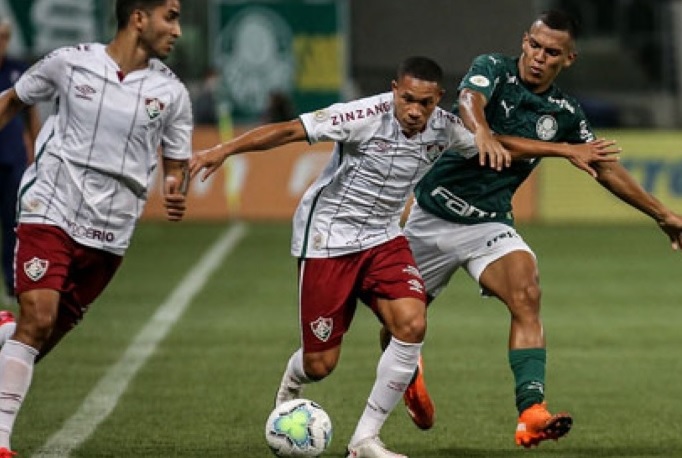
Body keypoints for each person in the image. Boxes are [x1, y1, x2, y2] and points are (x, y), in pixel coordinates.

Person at [190, 56, 617, 458]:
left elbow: (501, 142)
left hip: (383, 238)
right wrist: (221, 150)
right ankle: (287, 398)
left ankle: (365, 440)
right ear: (394, 91)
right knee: (321, 364)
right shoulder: (359, 117)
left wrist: (566, 150)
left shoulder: (445, 129)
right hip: (328, 239)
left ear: (438, 101)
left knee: (412, 323)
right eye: (407, 99)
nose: (414, 110)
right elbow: (288, 130)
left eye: (426, 103)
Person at [385, 9, 682, 449]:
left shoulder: (564, 111)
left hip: (488, 223)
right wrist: (484, 132)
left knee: (526, 290)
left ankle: (531, 412)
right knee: (401, 322)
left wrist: (664, 215)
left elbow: (603, 166)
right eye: (535, 46)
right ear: (524, 40)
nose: (539, 57)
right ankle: (409, 373)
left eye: (552, 53)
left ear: (569, 59)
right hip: (430, 216)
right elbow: (469, 103)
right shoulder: (494, 69)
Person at [0, 0, 192, 455]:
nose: (178, 30)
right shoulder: (70, 63)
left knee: (41, 335)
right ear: (138, 18)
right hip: (53, 204)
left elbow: (177, 162)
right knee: (39, 317)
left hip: (111, 229)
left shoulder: (173, 94)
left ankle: (5, 332)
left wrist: (174, 185)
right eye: (171, 16)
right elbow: (13, 101)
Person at [0, 18, 41, 306]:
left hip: (13, 160)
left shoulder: (18, 70)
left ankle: (13, 285)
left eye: (4, 37)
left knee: (14, 227)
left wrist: (37, 151)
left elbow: (31, 114)